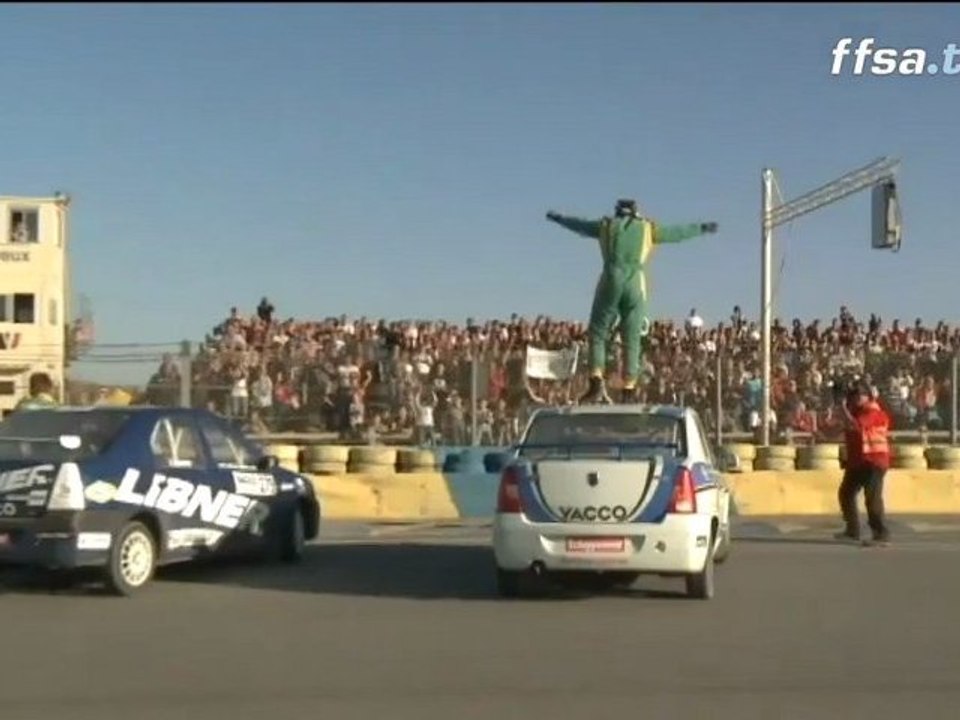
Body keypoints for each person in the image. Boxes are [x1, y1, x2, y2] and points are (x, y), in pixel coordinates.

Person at [546, 198, 718, 403]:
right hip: (636, 281)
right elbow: (675, 233)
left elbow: (580, 226)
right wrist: (701, 228)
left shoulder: (606, 225)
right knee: (632, 338)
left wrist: (559, 219)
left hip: (611, 277)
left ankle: (596, 381)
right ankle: (629, 389)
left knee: (599, 332)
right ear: (635, 212)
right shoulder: (647, 228)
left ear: (618, 212)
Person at [836, 382, 891, 546]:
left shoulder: (875, 412)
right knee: (846, 493)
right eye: (854, 395)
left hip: (875, 461)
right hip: (858, 461)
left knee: (872, 498)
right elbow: (843, 429)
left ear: (868, 396)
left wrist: (842, 408)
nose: (856, 398)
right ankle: (852, 530)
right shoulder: (855, 413)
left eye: (860, 394)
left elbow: (856, 425)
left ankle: (881, 533)